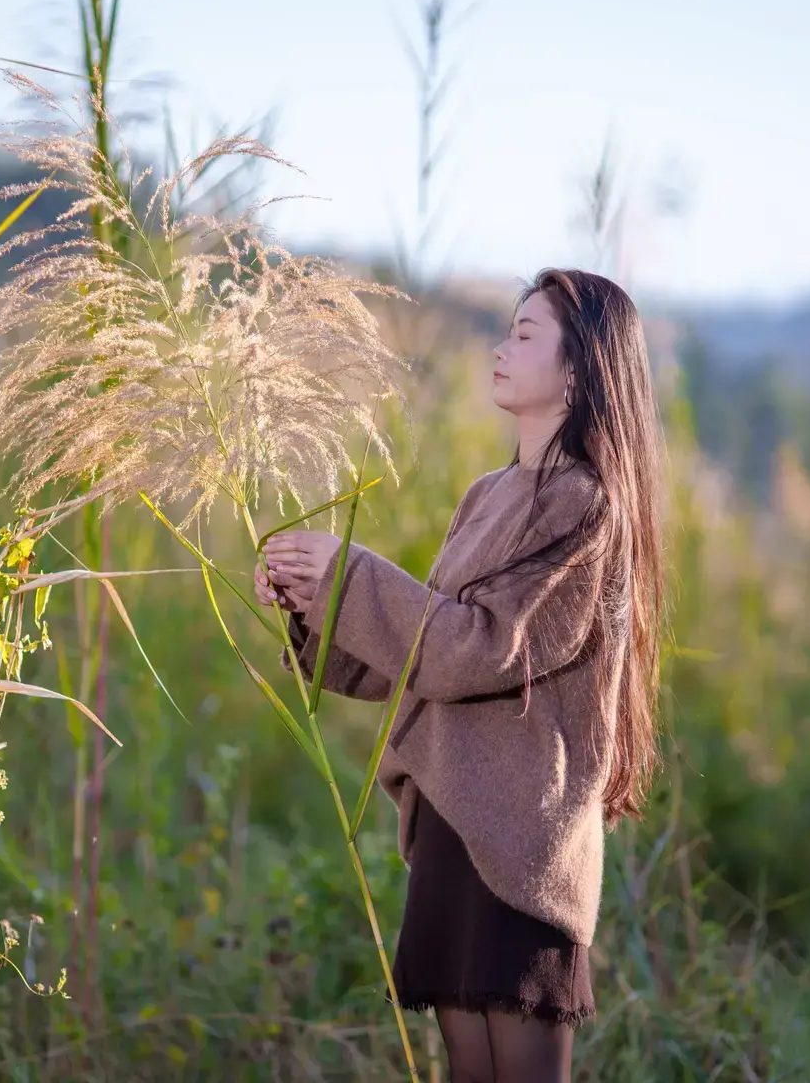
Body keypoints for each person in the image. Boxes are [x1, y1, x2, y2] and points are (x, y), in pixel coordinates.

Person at [256, 268, 668, 1083]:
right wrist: (311, 607)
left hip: (522, 841)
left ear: (582, 369)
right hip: (453, 817)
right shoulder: (487, 496)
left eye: (524, 334)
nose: (499, 348)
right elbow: (414, 662)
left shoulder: (586, 506)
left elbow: (479, 647)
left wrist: (354, 575)